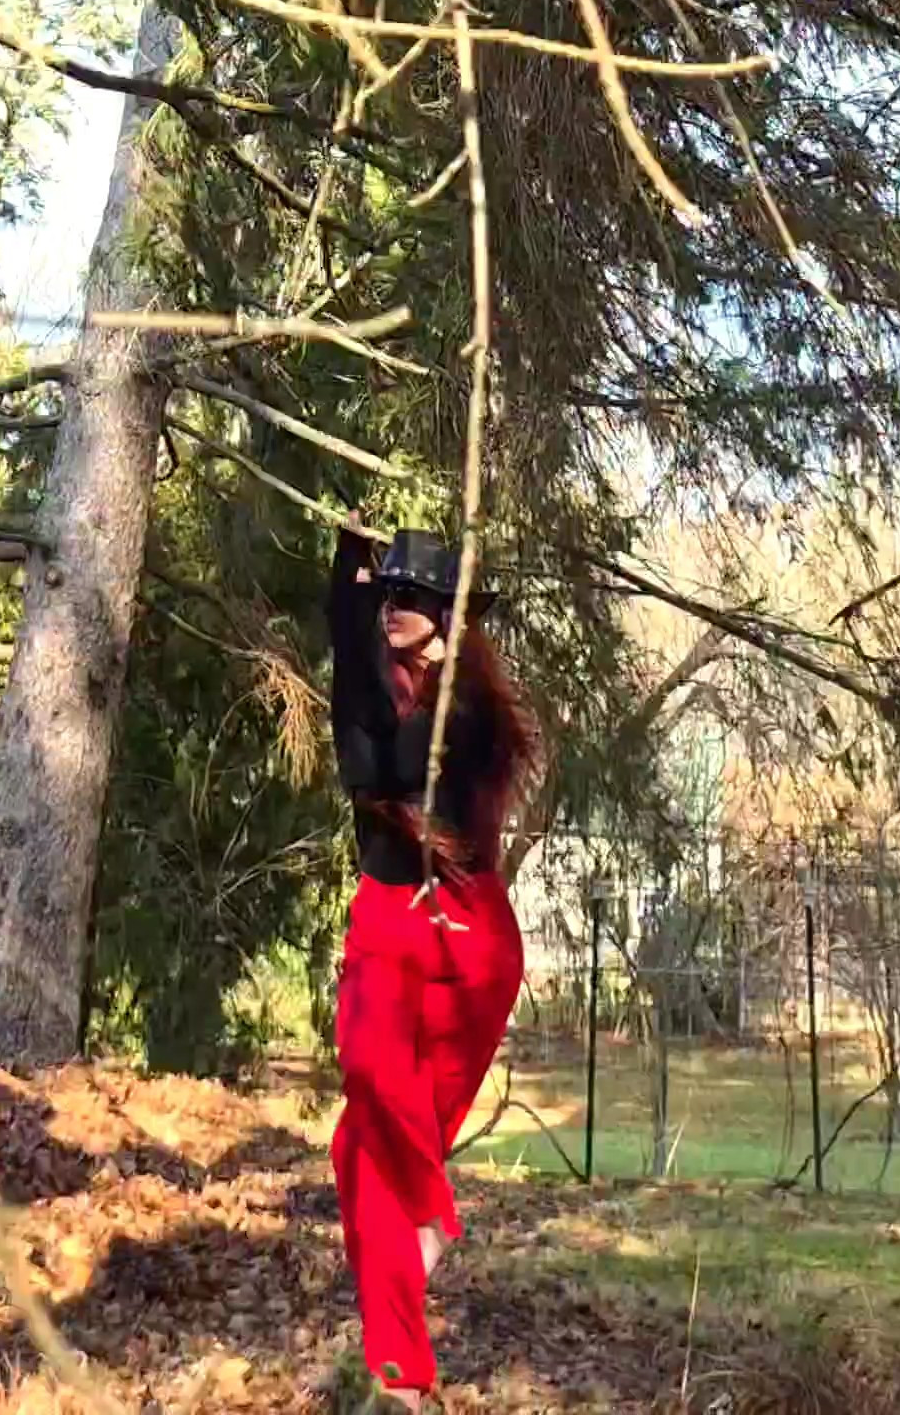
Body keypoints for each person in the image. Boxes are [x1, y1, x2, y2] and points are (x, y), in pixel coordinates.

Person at [325, 524, 541, 1401]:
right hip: (389, 916)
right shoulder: (373, 684)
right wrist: (348, 571)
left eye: (410, 600)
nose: (393, 612)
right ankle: (408, 1340)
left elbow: (390, 760)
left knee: (370, 1147)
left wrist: (380, 647)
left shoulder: (471, 710)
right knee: (360, 1121)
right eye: (388, 597)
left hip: (468, 938)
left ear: (449, 617)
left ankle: (401, 1357)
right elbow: (361, 752)